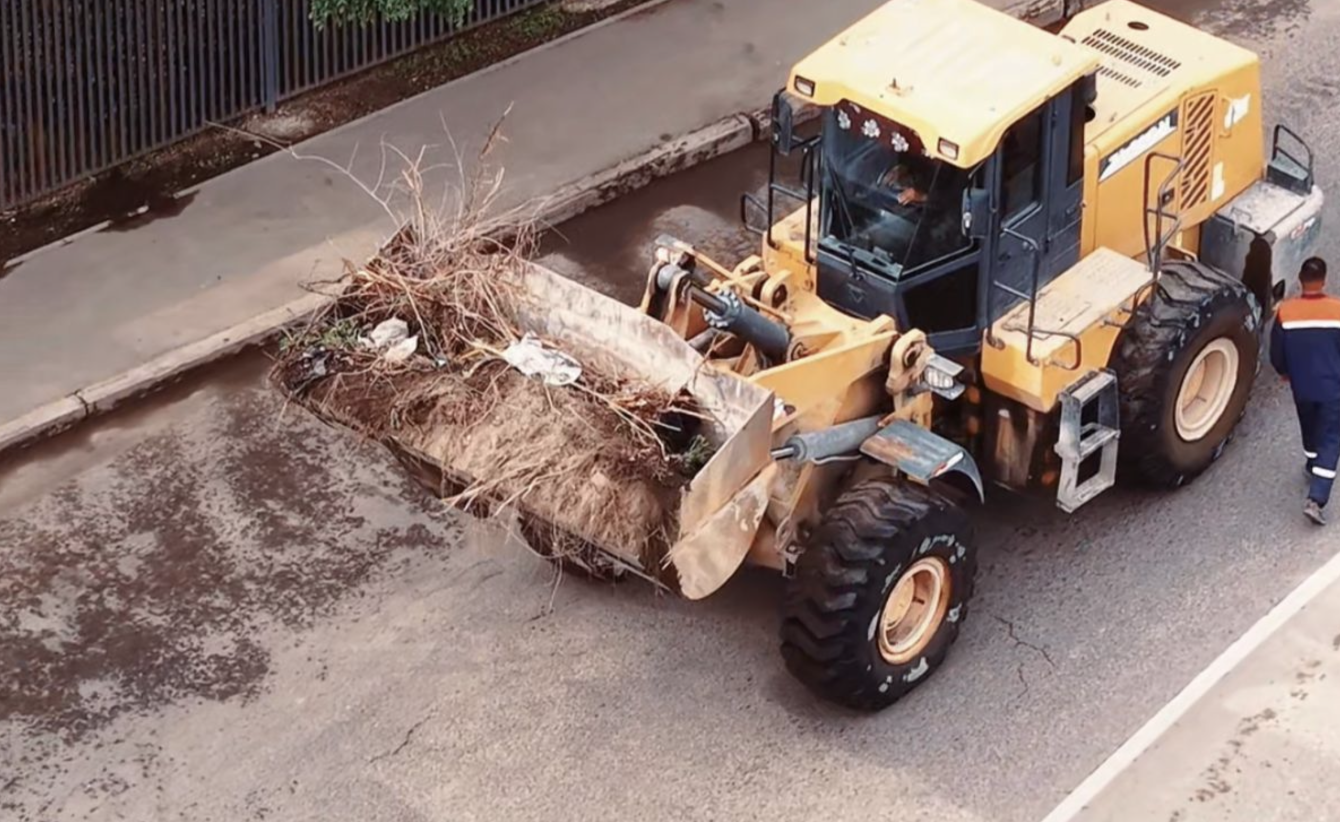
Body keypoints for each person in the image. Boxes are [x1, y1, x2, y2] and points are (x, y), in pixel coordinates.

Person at [1270, 257, 1340, 525]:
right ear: (1324, 280)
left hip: (1302, 388)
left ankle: (1312, 464)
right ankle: (1316, 499)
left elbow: (1276, 352)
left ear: (1300, 281)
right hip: (1333, 388)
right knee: (1332, 438)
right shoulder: (1337, 311)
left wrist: (1285, 372)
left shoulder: (1286, 312)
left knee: (1310, 429)